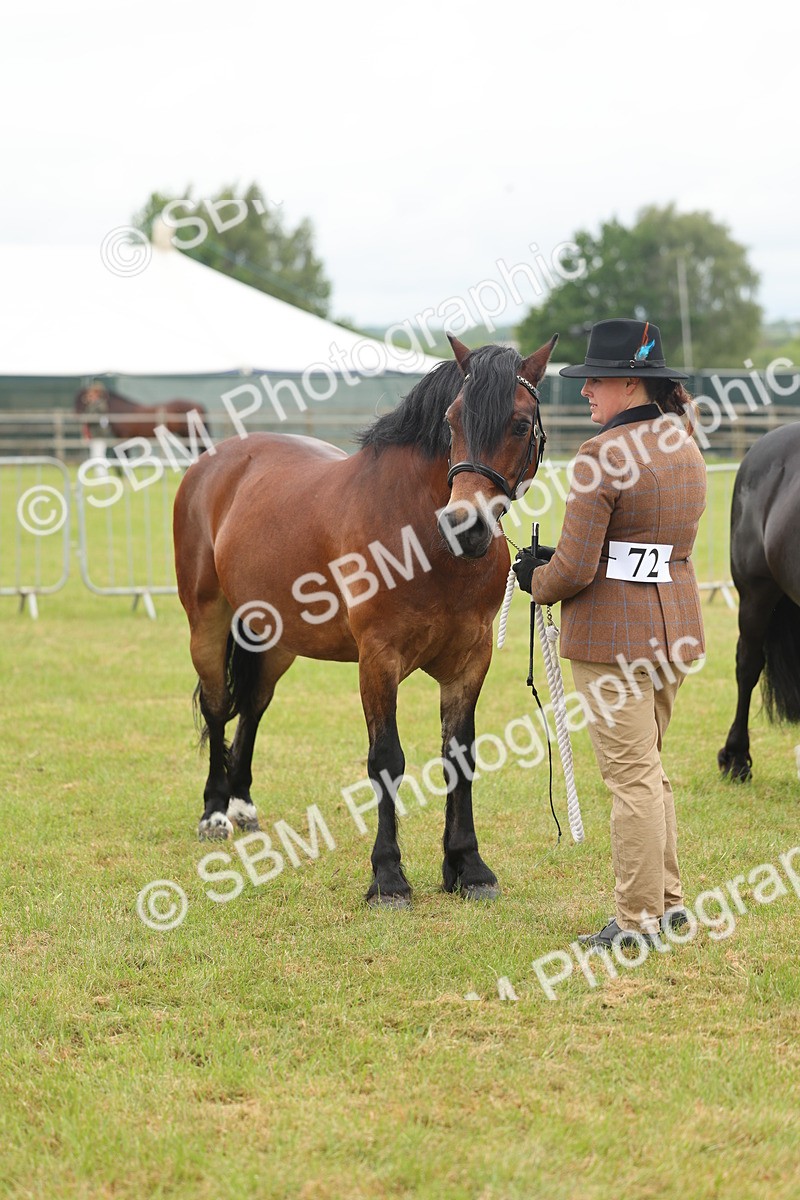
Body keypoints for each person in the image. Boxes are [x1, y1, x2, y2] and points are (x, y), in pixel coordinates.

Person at [512, 318, 706, 949]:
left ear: (629, 382)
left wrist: (533, 579)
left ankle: (637, 920)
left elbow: (572, 568)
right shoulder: (683, 441)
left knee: (631, 781)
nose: (586, 389)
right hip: (671, 628)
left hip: (613, 640)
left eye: (595, 379)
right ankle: (670, 905)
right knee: (650, 771)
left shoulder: (600, 457)